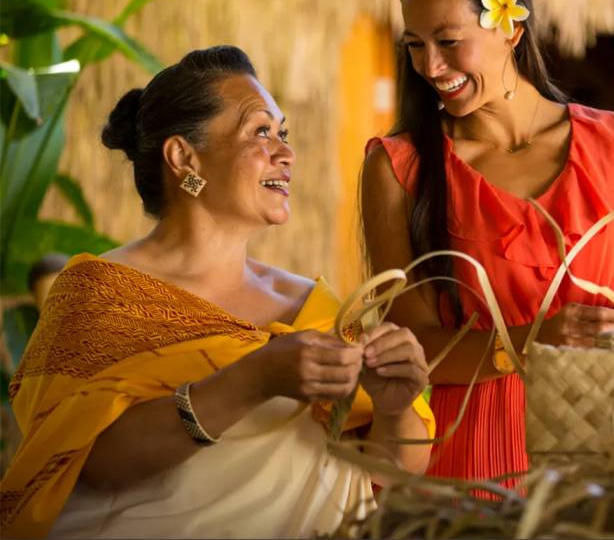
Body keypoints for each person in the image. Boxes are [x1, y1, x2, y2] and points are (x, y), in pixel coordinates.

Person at [0, 46, 434, 538]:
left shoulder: (316, 306)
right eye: (260, 132)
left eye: (283, 133)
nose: (286, 153)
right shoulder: (101, 296)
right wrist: (251, 381)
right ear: (184, 156)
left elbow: (390, 468)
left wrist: (396, 406)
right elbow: (85, 463)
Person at [361, 0, 614, 487]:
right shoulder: (400, 168)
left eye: (448, 40)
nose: (431, 66)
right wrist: (530, 342)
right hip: (469, 462)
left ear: (510, 26)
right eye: (415, 44)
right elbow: (411, 353)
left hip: (611, 450)